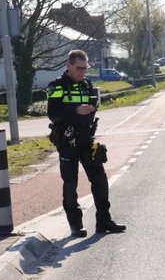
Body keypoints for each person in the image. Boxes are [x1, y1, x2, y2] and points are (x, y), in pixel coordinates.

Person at [47, 49, 126, 237]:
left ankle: (104, 221)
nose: (82, 72)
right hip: (67, 141)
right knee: (70, 183)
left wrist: (89, 111)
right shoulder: (57, 86)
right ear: (69, 66)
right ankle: (76, 225)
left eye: (85, 68)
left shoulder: (87, 84)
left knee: (100, 179)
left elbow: (92, 107)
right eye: (79, 68)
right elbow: (54, 113)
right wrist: (76, 110)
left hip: (86, 138)